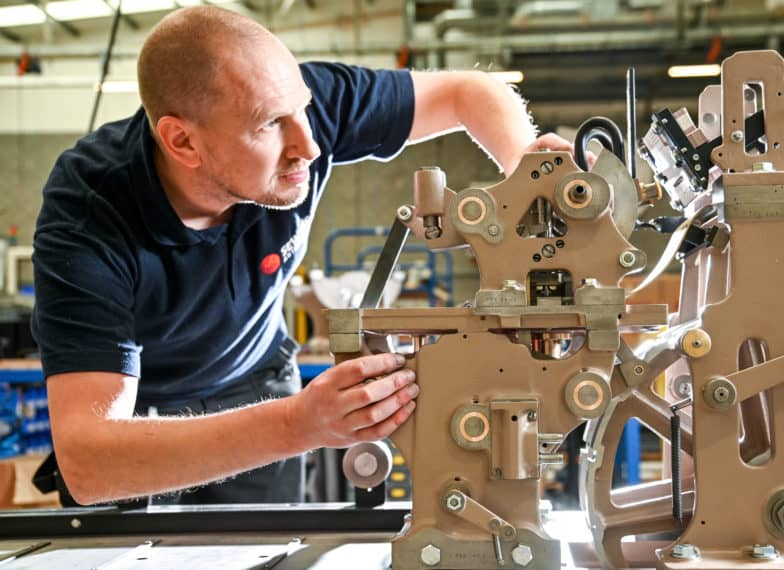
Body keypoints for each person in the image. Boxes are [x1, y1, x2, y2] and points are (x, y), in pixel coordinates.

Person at [31, 6, 574, 506]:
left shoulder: (303, 104)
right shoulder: (90, 211)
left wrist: (525, 164)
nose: (310, 146)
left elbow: (467, 91)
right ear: (182, 142)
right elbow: (90, 461)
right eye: (269, 124)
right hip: (144, 422)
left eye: (305, 112)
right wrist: (299, 424)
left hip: (257, 385)